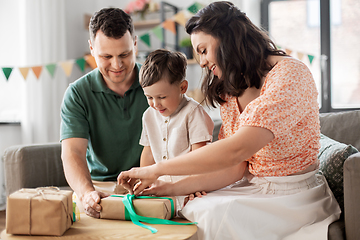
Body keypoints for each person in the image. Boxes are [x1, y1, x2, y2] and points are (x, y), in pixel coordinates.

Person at [118, 1, 341, 239]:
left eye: (203, 50)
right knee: (192, 209)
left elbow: (235, 150)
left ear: (227, 39)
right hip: (254, 187)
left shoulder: (290, 75)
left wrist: (156, 170)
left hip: (294, 196)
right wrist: (169, 188)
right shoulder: (230, 90)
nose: (202, 62)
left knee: (211, 217)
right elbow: (235, 168)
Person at [60, 8, 148, 218]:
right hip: (101, 187)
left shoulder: (157, 83)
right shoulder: (77, 93)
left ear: (135, 44)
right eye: (106, 56)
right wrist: (86, 192)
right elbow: (73, 153)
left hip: (152, 182)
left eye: (124, 54)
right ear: (91, 48)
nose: (116, 65)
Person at [137, 49, 214, 210]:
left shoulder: (193, 113)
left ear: (183, 87)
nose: (155, 104)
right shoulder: (148, 115)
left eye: (162, 97)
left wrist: (195, 185)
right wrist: (144, 180)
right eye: (149, 97)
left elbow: (200, 157)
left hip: (189, 190)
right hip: (161, 191)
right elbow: (149, 153)